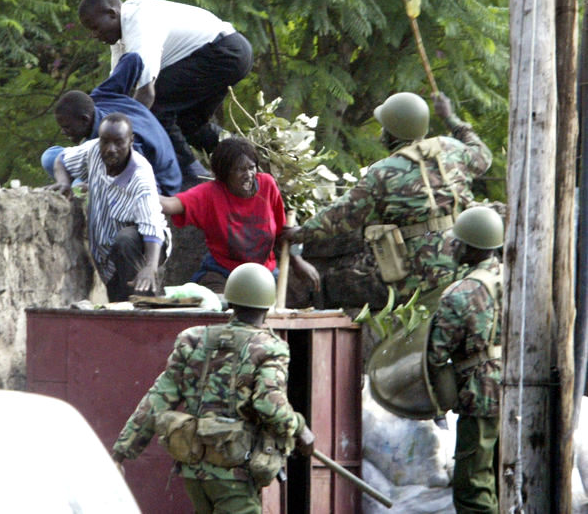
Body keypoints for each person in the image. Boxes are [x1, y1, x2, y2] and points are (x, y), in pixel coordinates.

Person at [111, 262, 316, 513]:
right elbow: (268, 404)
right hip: (234, 474)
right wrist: (300, 428)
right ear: (267, 306)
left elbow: (158, 399)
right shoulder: (269, 347)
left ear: (229, 301)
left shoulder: (194, 340)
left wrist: (121, 453)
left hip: (195, 473)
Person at [280, 91, 493, 303]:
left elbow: (342, 215)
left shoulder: (384, 172)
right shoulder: (452, 149)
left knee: (330, 286)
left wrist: (301, 233)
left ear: (391, 133)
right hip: (462, 261)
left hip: (418, 276)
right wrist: (450, 118)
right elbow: (484, 156)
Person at [77, 0, 254, 183]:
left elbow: (146, 94)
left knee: (157, 109)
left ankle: (194, 179)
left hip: (225, 51)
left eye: (94, 27)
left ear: (112, 14)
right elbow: (117, 94)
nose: (93, 35)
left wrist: (121, 137)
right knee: (187, 124)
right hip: (226, 53)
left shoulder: (139, 21)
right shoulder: (120, 40)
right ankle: (248, 155)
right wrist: (97, 139)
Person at [160, 136, 321, 291]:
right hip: (223, 273)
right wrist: (140, 186)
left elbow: (283, 233)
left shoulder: (267, 185)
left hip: (263, 274)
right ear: (224, 174)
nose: (248, 175)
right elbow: (170, 205)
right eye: (239, 170)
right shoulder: (210, 193)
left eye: (251, 168)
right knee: (221, 306)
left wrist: (297, 261)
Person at [427, 206, 504, 514]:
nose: (453, 247)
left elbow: (435, 354)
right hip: (520, 389)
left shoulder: (460, 293)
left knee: (473, 486)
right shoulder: (510, 278)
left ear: (472, 247)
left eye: (458, 242)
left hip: (482, 395)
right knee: (504, 474)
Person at [48, 112, 170, 302]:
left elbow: (151, 226)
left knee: (126, 242)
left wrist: (150, 267)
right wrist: (64, 182)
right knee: (117, 305)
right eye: (105, 142)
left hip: (142, 248)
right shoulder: (93, 151)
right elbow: (62, 159)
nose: (110, 149)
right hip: (108, 253)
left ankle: (144, 301)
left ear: (131, 140)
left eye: (118, 142)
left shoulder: (140, 175)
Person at [42, 52, 182, 195]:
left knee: (79, 186)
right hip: (121, 167)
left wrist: (94, 187)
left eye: (67, 127)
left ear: (84, 119)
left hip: (161, 184)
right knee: (50, 157)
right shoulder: (102, 95)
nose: (64, 132)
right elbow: (133, 59)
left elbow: (142, 181)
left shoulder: (120, 141)